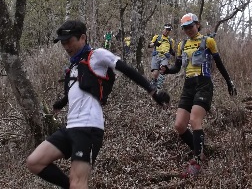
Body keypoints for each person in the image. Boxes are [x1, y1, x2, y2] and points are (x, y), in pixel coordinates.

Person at [26, 20, 169, 189]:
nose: (66, 46)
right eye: (63, 42)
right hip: (70, 126)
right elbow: (79, 89)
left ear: (83, 38)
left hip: (88, 126)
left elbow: (126, 69)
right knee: (34, 161)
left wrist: (152, 92)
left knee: (78, 182)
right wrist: (60, 103)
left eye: (69, 40)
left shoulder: (97, 55)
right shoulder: (74, 64)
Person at [161, 13, 237, 178]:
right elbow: (177, 67)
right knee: (179, 125)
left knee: (195, 120)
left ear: (197, 24)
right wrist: (167, 70)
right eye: (185, 28)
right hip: (188, 86)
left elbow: (220, 64)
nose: (188, 30)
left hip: (204, 84)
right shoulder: (182, 45)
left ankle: (197, 162)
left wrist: (229, 82)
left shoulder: (208, 41)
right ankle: (200, 152)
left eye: (191, 26)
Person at [148, 23, 175, 89]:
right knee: (155, 72)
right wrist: (155, 44)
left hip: (164, 57)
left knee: (163, 68)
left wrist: (173, 53)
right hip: (156, 55)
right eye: (166, 29)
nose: (167, 31)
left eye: (169, 30)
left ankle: (159, 85)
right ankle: (153, 83)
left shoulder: (171, 40)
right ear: (163, 29)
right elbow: (149, 45)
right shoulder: (157, 37)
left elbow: (172, 50)